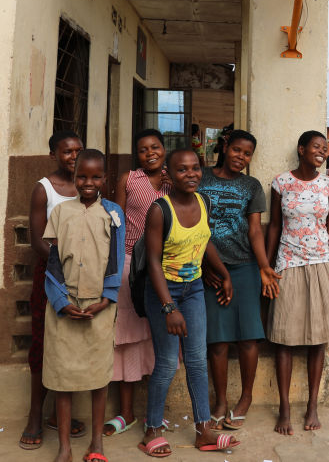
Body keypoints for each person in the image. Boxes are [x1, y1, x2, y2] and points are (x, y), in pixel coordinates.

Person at [139, 149, 239, 457]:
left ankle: (203, 431)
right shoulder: (160, 210)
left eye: (196, 168)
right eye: (182, 170)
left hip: (193, 288)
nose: (191, 174)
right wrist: (169, 308)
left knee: (197, 360)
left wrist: (224, 274)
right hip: (163, 291)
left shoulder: (203, 201)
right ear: (169, 175)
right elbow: (153, 262)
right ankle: (152, 429)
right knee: (168, 362)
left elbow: (204, 241)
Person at [42, 149, 125, 462]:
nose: (88, 183)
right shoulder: (61, 211)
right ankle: (64, 447)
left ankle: (96, 442)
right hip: (64, 305)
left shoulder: (113, 213)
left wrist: (106, 299)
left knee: (98, 377)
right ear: (74, 177)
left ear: (104, 178)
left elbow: (116, 259)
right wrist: (60, 301)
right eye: (82, 177)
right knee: (62, 378)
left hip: (99, 307)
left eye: (95, 177)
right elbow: (53, 261)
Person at [199, 129, 281, 431]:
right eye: (237, 150)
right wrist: (203, 265)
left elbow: (255, 230)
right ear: (225, 147)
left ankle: (246, 397)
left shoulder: (251, 186)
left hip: (244, 267)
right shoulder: (201, 178)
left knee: (248, 337)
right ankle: (220, 401)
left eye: (247, 154)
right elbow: (190, 222)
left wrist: (263, 266)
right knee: (218, 340)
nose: (241, 157)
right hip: (209, 269)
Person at [266, 131, 329, 435]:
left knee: (318, 338)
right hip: (288, 263)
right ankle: (284, 408)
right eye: (316, 147)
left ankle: (312, 405)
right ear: (301, 150)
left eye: (325, 148)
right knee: (284, 337)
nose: (322, 151)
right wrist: (267, 268)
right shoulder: (281, 183)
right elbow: (274, 226)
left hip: (321, 263)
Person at [20, 130, 86, 451]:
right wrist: (65, 266)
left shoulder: (88, 185)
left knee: (69, 345)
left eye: (78, 150)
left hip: (83, 277)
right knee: (43, 343)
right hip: (52, 275)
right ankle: (35, 415)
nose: (73, 156)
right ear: (53, 155)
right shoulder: (43, 189)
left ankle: (59, 416)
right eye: (67, 151)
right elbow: (37, 241)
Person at [103, 129, 170, 437]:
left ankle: (156, 413)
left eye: (155, 147)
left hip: (166, 267)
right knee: (128, 338)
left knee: (161, 340)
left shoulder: (174, 181)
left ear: (164, 149)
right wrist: (114, 265)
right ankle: (126, 412)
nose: (150, 153)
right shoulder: (129, 180)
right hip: (131, 264)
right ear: (137, 155)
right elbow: (115, 221)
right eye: (143, 149)